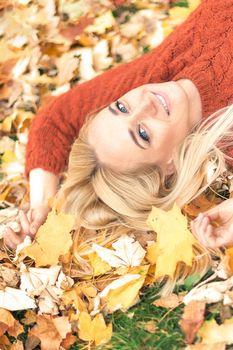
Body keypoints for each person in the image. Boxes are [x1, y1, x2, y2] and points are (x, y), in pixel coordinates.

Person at [3, 0, 233, 250]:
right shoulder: (227, 134)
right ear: (170, 164)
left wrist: (40, 205)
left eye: (120, 107)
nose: (145, 105)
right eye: (143, 134)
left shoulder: (155, 76)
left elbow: (55, 120)